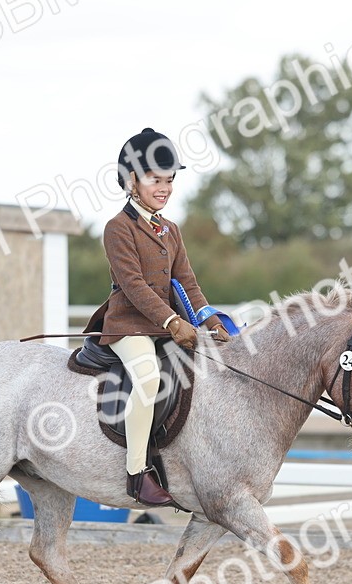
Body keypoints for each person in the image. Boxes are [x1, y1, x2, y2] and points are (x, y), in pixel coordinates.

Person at [83, 128, 230, 507]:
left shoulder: (171, 230)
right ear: (132, 180)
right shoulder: (118, 228)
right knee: (148, 379)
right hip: (129, 326)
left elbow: (187, 282)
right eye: (155, 180)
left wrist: (210, 320)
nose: (164, 188)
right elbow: (133, 286)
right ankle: (137, 473)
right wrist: (172, 323)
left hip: (168, 326)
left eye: (169, 180)